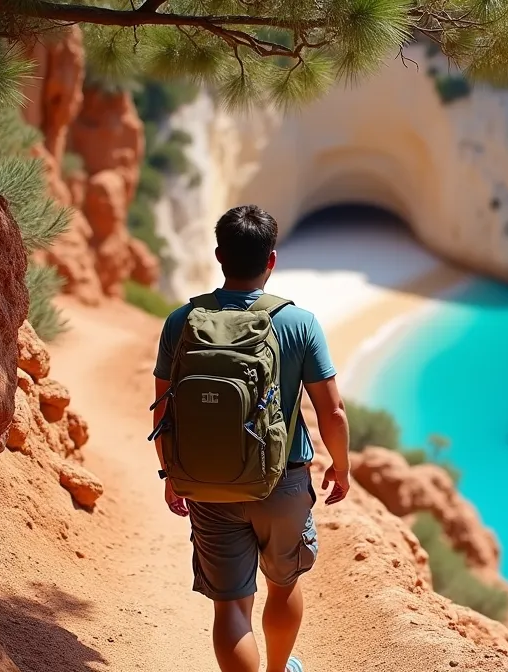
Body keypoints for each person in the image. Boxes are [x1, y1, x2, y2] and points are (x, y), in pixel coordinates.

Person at [151, 204, 351, 672]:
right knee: (283, 584)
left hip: (206, 482)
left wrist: (171, 473)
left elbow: (164, 410)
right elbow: (333, 411)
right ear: (272, 259)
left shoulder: (182, 321)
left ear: (219, 255)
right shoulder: (299, 323)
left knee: (231, 607)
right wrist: (341, 467)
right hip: (281, 481)